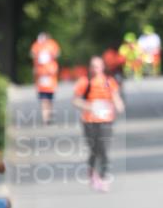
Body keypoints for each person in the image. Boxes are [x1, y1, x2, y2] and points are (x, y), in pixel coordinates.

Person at [72, 56, 125, 191]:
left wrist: (119, 105)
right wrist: (90, 107)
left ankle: (103, 177)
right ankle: (92, 171)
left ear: (102, 67)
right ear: (90, 68)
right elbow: (75, 101)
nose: (96, 69)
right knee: (94, 150)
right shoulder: (85, 82)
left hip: (106, 120)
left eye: (98, 66)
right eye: (93, 66)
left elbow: (115, 96)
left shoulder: (109, 81)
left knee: (104, 149)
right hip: (89, 121)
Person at [30, 31, 61, 124]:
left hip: (51, 75)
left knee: (50, 97)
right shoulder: (36, 45)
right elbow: (32, 54)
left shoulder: (52, 44)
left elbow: (57, 53)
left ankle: (49, 113)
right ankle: (45, 118)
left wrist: (50, 54)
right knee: (43, 98)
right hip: (41, 75)